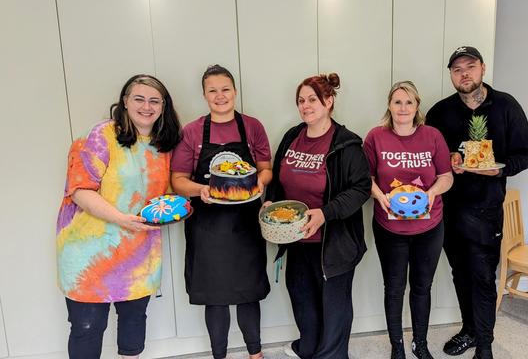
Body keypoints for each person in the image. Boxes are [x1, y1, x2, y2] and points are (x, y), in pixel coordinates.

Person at [56, 74, 182, 358]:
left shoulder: (165, 145)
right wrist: (121, 218)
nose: (146, 106)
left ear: (164, 106)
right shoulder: (102, 136)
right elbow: (79, 190)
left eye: (154, 100)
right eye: (139, 98)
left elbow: (169, 194)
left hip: (138, 256)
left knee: (134, 324)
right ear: (125, 101)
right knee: (87, 329)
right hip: (89, 255)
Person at [426, 46, 528, 359]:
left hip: (486, 211)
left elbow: (527, 155)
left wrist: (497, 167)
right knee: (460, 273)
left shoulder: (505, 106)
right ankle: (470, 330)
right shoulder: (439, 112)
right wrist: (448, 160)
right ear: (451, 75)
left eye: (470, 66)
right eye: (457, 68)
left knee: (484, 276)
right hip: (448, 211)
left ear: (482, 69)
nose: (464, 73)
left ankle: (485, 346)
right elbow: (429, 157)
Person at [264, 73, 371, 359]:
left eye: (312, 99)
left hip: (332, 244)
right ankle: (308, 347)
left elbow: (361, 189)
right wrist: (270, 200)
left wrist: (324, 214)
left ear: (329, 101)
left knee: (334, 309)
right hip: (296, 239)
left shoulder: (346, 144)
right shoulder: (292, 136)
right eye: (301, 100)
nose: (305, 105)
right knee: (303, 301)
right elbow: (277, 178)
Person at [170, 64, 271, 359]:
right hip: (207, 227)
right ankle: (219, 355)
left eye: (225, 89)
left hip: (245, 226)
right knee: (215, 296)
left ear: (235, 91)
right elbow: (177, 180)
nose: (220, 95)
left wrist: (256, 186)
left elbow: (266, 170)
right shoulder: (191, 131)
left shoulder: (252, 127)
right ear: (204, 95)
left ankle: (255, 353)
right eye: (212, 90)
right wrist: (200, 191)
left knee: (248, 291)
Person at [364, 81, 453, 359]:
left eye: (409, 102)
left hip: (429, 225)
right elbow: (365, 178)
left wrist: (430, 194)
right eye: (397, 102)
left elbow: (446, 176)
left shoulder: (433, 136)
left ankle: (420, 343)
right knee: (394, 287)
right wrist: (380, 196)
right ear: (389, 105)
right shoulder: (376, 136)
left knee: (422, 286)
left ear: (417, 107)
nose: (403, 108)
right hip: (389, 227)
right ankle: (397, 346)